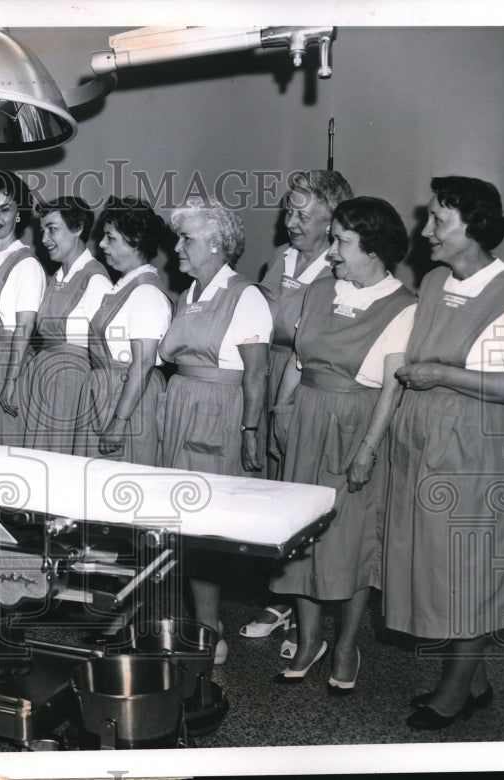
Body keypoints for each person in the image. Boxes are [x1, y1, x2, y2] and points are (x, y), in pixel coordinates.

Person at [383, 177, 504, 729]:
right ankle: (473, 680)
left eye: (438, 221)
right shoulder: (432, 281)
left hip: (477, 444)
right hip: (425, 439)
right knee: (433, 565)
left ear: (473, 227)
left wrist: (442, 374)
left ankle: (454, 692)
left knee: (464, 568)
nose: (425, 232)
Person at [268, 196, 416, 689]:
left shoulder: (403, 306)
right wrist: (281, 414)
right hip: (306, 416)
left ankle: (348, 645)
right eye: (332, 239)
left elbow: (392, 388)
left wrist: (368, 450)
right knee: (301, 538)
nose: (331, 252)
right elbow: (297, 362)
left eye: (342, 242)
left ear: (373, 250)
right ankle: (310, 642)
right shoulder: (320, 291)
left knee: (352, 543)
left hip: (357, 425)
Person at [241, 169, 355, 647]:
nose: (292, 220)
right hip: (266, 376)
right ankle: (282, 596)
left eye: (304, 214)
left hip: (303, 384)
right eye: (289, 210)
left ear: (332, 221)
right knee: (271, 487)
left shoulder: (338, 270)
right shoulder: (278, 259)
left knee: (301, 491)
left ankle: (305, 608)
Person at [159, 196, 272, 665]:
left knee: (203, 529)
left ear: (217, 244)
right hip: (181, 407)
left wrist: (249, 429)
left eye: (186, 239)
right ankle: (204, 622)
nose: (177, 248)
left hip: (218, 414)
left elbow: (257, 372)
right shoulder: (190, 294)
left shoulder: (245, 296)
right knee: (180, 526)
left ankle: (210, 633)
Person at [74, 196, 172, 466]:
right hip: (106, 395)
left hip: (127, 403)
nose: (101, 244)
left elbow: (143, 363)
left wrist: (119, 422)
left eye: (110, 238)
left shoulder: (146, 293)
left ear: (135, 242)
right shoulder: (125, 286)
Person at [22, 196, 111, 453]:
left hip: (73, 384)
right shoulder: (57, 276)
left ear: (78, 228)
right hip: (45, 377)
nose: (44, 239)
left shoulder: (96, 280)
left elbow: (104, 354)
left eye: (52, 229)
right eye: (43, 230)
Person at [0, 170, 47, 445]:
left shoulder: (26, 265)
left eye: (5, 209)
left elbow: (25, 329)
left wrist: (11, 381)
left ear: (19, 214)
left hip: (8, 365)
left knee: (4, 449)